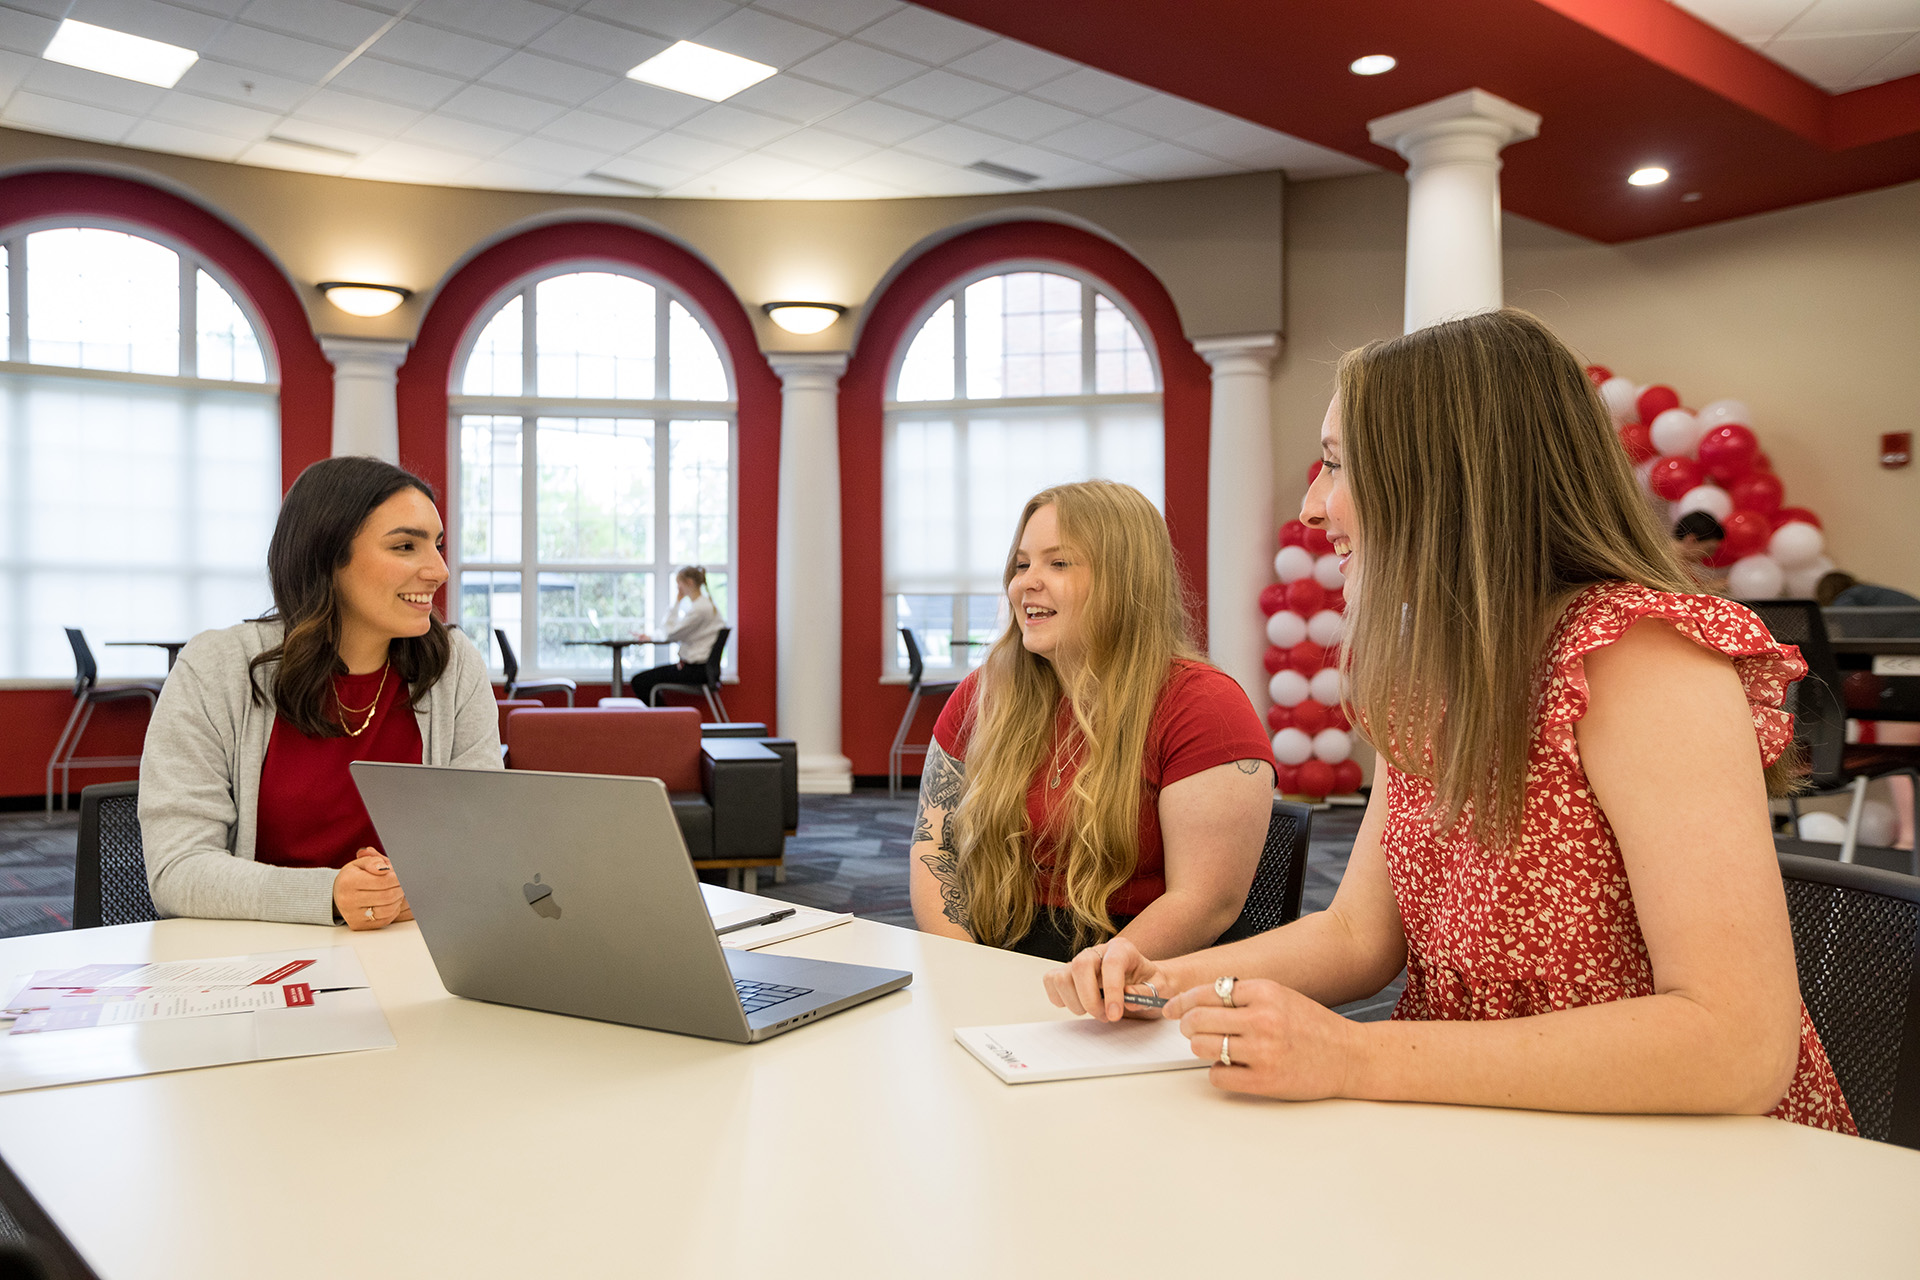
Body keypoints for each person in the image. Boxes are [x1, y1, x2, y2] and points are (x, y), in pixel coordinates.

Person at [1044, 310, 1853, 1133]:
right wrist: (1165, 980)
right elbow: (1361, 933)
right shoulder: (1437, 669)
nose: (1314, 508)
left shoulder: (1640, 657)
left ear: (1444, 477)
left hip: (1681, 1149)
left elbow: (1737, 1045)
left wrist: (1354, 1057)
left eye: (1335, 467)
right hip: (1486, 1118)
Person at [909, 479, 1276, 963]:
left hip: (1145, 964)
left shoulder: (1202, 703)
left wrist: (1089, 980)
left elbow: (1205, 902)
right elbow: (934, 849)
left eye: (1058, 563)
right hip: (1000, 950)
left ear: (1124, 579)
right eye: (1022, 564)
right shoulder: (984, 693)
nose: (1025, 582)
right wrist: (964, 965)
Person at [141, 457, 501, 929]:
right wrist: (330, 895)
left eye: (437, 545)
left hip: (407, 947)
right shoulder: (217, 667)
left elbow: (484, 840)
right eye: (406, 546)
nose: (439, 570)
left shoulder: (453, 665)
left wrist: (414, 889)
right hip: (257, 957)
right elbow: (178, 868)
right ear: (327, 555)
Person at [628, 566, 725, 704]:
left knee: (639, 681)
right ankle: (666, 720)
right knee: (643, 680)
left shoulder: (700, 609)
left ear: (689, 583)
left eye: (678, 583)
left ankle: (666, 722)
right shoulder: (704, 605)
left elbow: (671, 634)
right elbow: (672, 632)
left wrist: (676, 602)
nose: (677, 588)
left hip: (696, 671)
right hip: (700, 669)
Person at [1671, 510, 1725, 587]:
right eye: (1708, 549)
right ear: (1692, 539)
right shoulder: (1665, 564)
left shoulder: (1681, 564)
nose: (1710, 555)